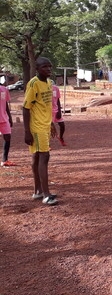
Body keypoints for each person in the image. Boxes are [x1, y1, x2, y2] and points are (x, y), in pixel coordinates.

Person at [23, 57, 58, 205]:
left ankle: (37, 191)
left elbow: (46, 106)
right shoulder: (33, 84)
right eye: (44, 67)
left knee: (37, 157)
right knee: (44, 156)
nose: (48, 69)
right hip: (36, 127)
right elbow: (25, 108)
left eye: (50, 67)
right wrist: (27, 132)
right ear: (37, 69)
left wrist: (51, 123)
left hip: (45, 125)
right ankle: (46, 194)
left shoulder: (49, 83)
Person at [0, 80, 15, 167]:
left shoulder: (4, 89)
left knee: (7, 137)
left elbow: (5, 104)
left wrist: (10, 118)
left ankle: (4, 160)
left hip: (4, 118)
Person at [51, 82, 67, 146]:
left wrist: (59, 111)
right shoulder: (43, 89)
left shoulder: (56, 88)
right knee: (48, 128)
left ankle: (61, 137)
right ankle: (46, 144)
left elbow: (57, 100)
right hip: (47, 111)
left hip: (56, 109)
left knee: (62, 125)